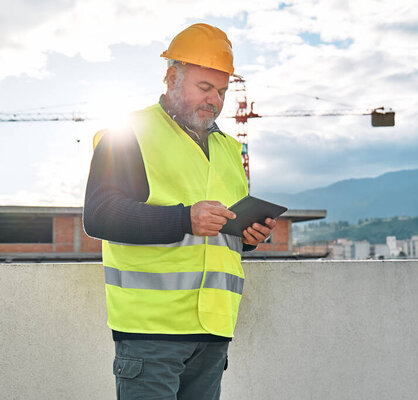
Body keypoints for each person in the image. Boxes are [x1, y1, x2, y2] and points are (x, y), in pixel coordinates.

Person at [83, 23, 276, 400]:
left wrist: (249, 236)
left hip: (214, 331)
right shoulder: (129, 133)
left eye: (221, 91)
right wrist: (184, 219)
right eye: (204, 88)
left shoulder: (228, 150)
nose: (215, 100)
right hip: (151, 333)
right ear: (172, 77)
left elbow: (222, 227)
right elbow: (100, 215)